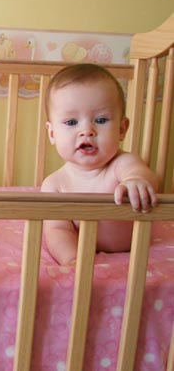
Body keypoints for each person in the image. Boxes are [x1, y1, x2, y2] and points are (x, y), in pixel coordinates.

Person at [41, 63, 158, 265]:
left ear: (122, 129)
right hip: (84, 258)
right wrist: (73, 260)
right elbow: (57, 231)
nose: (87, 130)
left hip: (133, 255)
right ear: (52, 133)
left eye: (101, 120)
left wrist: (136, 181)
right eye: (71, 122)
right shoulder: (55, 185)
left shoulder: (122, 164)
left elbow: (142, 176)